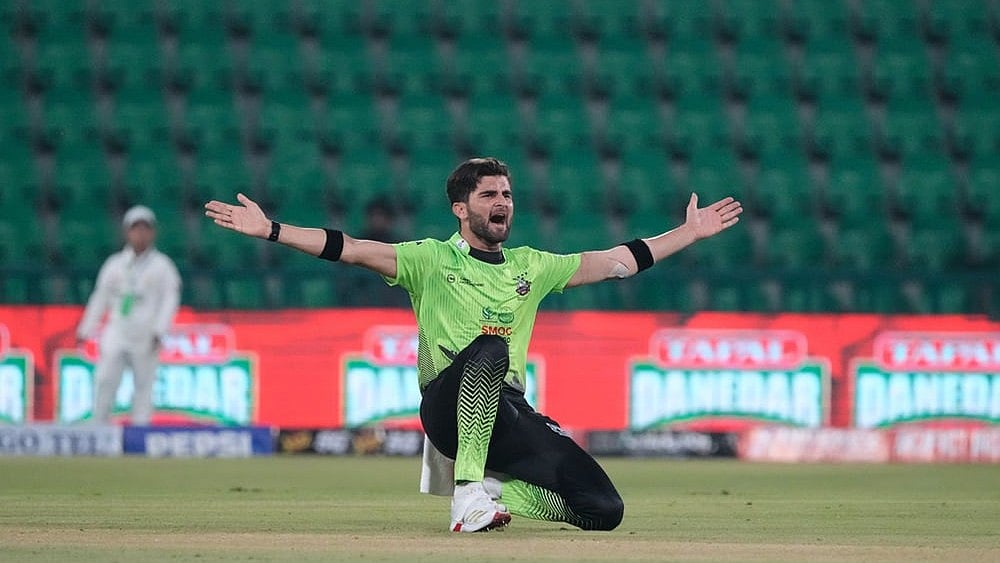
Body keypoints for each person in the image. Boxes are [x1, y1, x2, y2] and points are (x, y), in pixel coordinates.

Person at [204, 157, 742, 533]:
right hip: (445, 407)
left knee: (602, 508)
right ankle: (465, 497)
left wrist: (687, 234)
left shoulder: (532, 265)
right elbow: (349, 249)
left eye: (507, 194)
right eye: (489, 195)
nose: (502, 202)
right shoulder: (431, 260)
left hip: (507, 411)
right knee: (490, 347)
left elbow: (617, 262)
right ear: (461, 209)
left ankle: (491, 493)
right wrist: (272, 229)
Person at [76, 205, 182, 425]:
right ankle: (99, 428)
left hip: (146, 333)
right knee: (105, 380)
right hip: (117, 330)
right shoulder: (115, 264)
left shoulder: (163, 266)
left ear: (153, 232)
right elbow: (100, 298)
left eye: (145, 228)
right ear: (127, 232)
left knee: (144, 386)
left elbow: (170, 300)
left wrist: (160, 331)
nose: (140, 234)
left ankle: (139, 436)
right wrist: (85, 329)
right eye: (136, 228)